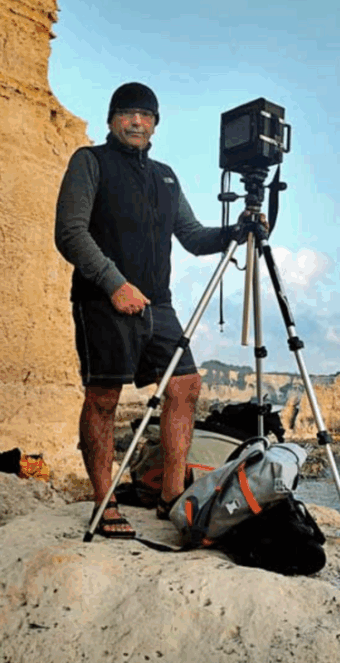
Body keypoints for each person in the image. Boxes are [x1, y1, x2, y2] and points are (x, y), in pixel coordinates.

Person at [55, 82, 260, 537]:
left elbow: (192, 236)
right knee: (103, 399)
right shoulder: (90, 162)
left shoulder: (166, 176)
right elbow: (69, 232)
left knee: (185, 385)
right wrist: (114, 283)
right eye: (127, 113)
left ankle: (171, 495)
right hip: (102, 299)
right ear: (111, 119)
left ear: (155, 125)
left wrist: (235, 231)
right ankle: (104, 502)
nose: (137, 122)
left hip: (158, 305)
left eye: (145, 116)